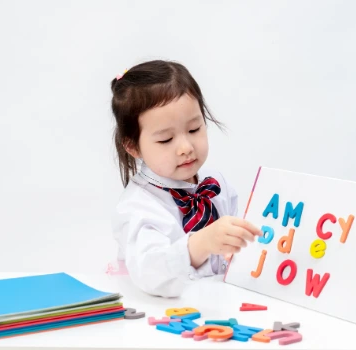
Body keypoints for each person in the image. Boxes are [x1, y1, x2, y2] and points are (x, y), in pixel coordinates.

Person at [108, 60, 261, 298]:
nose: (185, 147)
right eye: (166, 140)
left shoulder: (215, 181)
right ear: (133, 146)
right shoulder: (138, 205)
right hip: (156, 312)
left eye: (194, 129)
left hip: (213, 306)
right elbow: (149, 272)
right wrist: (199, 245)